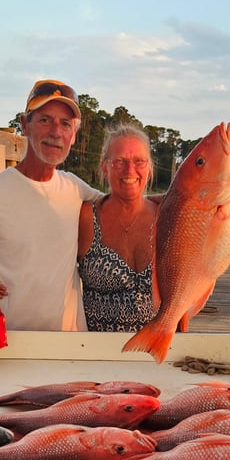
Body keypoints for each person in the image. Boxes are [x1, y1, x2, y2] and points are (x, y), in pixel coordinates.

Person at [0, 79, 102, 345]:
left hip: (72, 345)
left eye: (65, 124)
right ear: (25, 124)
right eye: (45, 120)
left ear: (73, 135)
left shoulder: (76, 188)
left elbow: (127, 206)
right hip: (13, 344)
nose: (55, 131)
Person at [77, 125, 158, 331]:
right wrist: (3, 279)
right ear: (105, 167)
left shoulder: (167, 216)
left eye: (138, 161)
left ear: (149, 167)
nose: (130, 170)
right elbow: (48, 260)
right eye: (119, 161)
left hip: (161, 350)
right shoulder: (86, 216)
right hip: (99, 354)